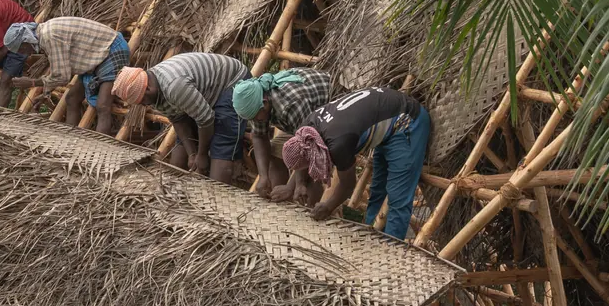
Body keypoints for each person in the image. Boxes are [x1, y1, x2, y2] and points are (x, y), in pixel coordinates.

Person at [278, 86, 431, 240]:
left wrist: (328, 206)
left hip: (407, 121)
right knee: (378, 191)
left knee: (398, 198)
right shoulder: (306, 130)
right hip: (387, 115)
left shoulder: (338, 144)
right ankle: (371, 238)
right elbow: (302, 154)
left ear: (311, 157)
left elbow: (348, 185)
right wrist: (300, 184)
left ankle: (390, 251)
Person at [113, 52, 248, 182]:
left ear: (148, 89)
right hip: (204, 94)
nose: (143, 105)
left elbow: (206, 119)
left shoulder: (174, 86)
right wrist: (192, 154)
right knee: (178, 161)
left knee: (221, 147)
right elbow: (178, 119)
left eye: (142, 100)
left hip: (233, 83)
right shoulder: (153, 88)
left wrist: (202, 155)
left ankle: (218, 200)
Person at [5, 16, 129, 133]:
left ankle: (100, 150)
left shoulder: (49, 36)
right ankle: (71, 139)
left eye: (22, 49)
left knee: (102, 106)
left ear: (26, 41)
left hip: (111, 50)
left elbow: (62, 76)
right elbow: (60, 70)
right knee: (72, 98)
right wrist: (45, 93)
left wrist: (32, 82)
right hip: (95, 58)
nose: (27, 54)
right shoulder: (45, 33)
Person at [231, 68, 334, 198]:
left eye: (256, 117)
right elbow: (258, 136)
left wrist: (294, 186)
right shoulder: (259, 100)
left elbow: (309, 145)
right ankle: (278, 199)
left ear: (265, 103)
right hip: (303, 125)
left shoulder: (290, 105)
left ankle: (310, 210)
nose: (255, 121)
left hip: (330, 123)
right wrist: (263, 176)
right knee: (275, 151)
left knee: (313, 173)